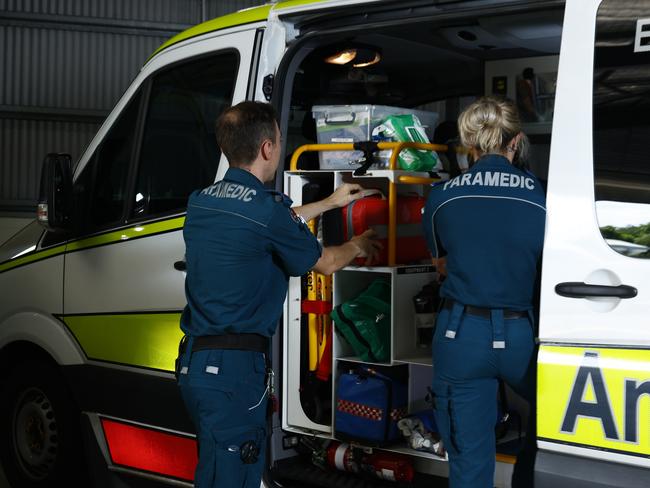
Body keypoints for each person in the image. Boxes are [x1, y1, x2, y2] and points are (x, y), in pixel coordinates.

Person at [176, 101, 380, 488]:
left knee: (220, 468)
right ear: (268, 148)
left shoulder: (201, 201)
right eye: (281, 140)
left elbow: (264, 223)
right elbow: (326, 263)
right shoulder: (268, 213)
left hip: (196, 365)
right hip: (234, 374)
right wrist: (358, 244)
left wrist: (328, 203)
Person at [422, 97, 545, 488]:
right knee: (552, 439)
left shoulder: (443, 197)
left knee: (469, 464)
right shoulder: (544, 198)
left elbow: (440, 262)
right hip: (522, 336)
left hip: (462, 336)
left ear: (468, 145)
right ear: (516, 141)